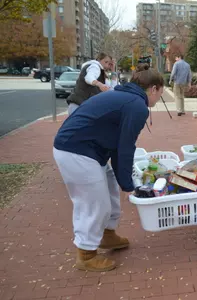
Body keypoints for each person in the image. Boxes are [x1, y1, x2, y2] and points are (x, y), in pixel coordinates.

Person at [53, 64, 164, 272]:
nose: (158, 100)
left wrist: (123, 181)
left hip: (88, 149)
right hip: (76, 150)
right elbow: (125, 147)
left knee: (110, 191)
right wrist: (129, 185)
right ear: (154, 88)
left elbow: (118, 145)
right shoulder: (137, 106)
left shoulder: (124, 96)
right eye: (160, 94)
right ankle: (86, 254)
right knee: (93, 203)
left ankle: (107, 235)